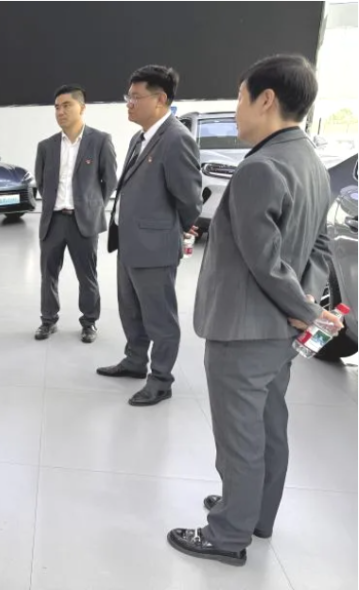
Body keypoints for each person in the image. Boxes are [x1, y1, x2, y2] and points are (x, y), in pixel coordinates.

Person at [167, 55, 340, 566]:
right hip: (279, 332)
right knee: (268, 424)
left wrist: (302, 309)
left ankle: (227, 534)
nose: (236, 110)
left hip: (244, 329)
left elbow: (262, 262)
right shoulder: (311, 162)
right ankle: (256, 512)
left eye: (239, 98)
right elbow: (320, 248)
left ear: (266, 100)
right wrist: (304, 304)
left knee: (239, 435)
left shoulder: (260, 168)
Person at [98, 65, 202, 407]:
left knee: (160, 317)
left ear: (160, 99)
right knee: (131, 310)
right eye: (128, 96)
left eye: (135, 97)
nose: (129, 103)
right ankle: (134, 361)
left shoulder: (176, 139)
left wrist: (175, 229)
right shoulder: (139, 138)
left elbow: (189, 199)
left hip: (155, 246)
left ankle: (161, 380)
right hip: (129, 241)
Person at [34, 84, 118, 343]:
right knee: (48, 275)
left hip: (83, 222)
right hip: (53, 221)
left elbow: (110, 181)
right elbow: (42, 183)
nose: (60, 111)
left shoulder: (100, 141)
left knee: (87, 275)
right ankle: (48, 320)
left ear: (82, 107)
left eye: (66, 105)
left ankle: (89, 322)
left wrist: (92, 205)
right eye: (57, 107)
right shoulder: (46, 146)